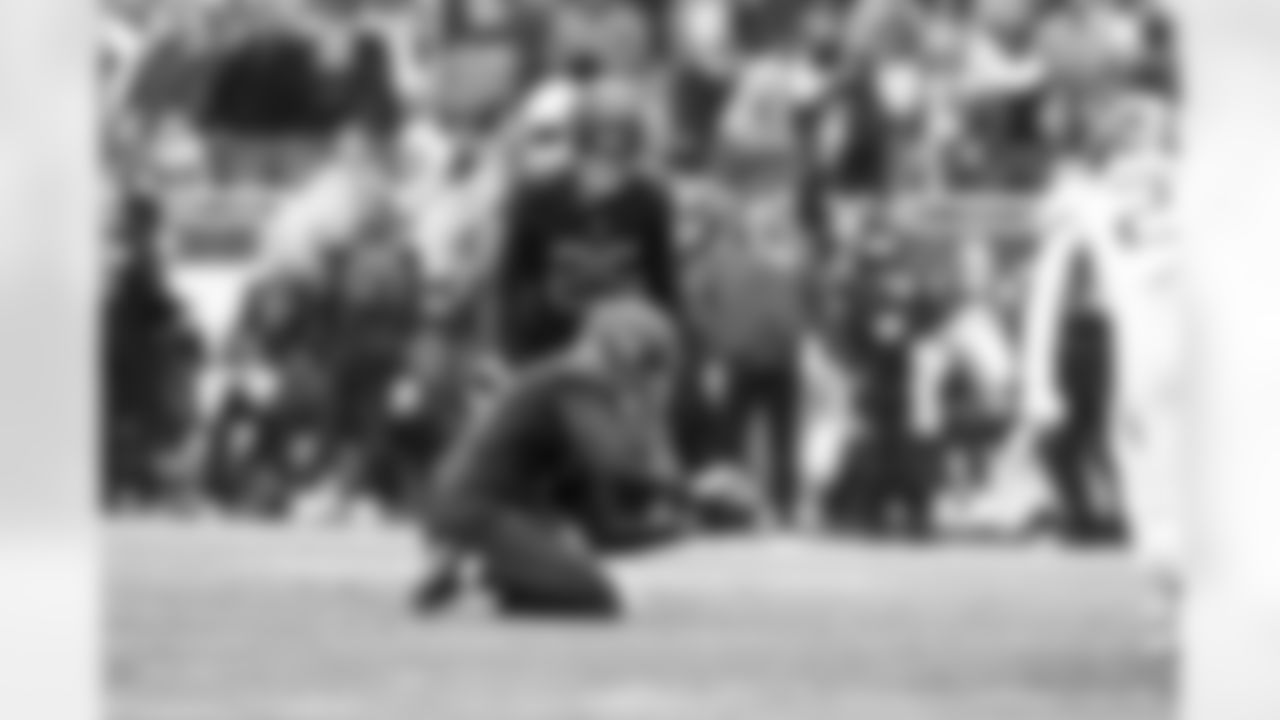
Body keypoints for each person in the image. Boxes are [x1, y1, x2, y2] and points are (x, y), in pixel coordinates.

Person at [411, 297, 682, 619]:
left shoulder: (558, 379)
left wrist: (673, 526)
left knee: (564, 592)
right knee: (591, 597)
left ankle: (487, 569)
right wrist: (654, 423)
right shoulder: (577, 383)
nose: (651, 377)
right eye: (651, 363)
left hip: (476, 508)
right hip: (484, 512)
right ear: (626, 349)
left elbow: (604, 524)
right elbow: (619, 467)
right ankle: (479, 568)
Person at [496, 90, 680, 364]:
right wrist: (512, 345)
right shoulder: (539, 196)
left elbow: (662, 282)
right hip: (549, 338)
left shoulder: (648, 201)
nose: (608, 151)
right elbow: (512, 278)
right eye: (600, 139)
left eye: (619, 138)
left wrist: (664, 346)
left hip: (619, 343)